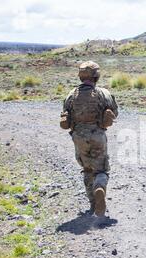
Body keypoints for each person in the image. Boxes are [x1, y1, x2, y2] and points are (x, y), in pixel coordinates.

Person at [60, 61, 118, 217]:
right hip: (98, 135)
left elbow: (65, 116)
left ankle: (93, 204)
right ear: (96, 76)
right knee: (102, 170)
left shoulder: (71, 94)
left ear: (80, 76)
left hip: (78, 137)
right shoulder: (103, 93)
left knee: (87, 170)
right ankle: (100, 187)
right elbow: (114, 113)